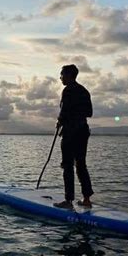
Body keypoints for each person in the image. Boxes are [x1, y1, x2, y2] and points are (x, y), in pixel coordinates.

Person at [53, 64, 94, 209]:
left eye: (62, 75)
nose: (60, 77)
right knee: (81, 164)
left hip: (71, 132)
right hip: (83, 131)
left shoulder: (68, 91)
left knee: (68, 165)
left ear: (69, 76)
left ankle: (68, 201)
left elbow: (64, 112)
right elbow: (89, 112)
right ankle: (86, 199)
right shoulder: (84, 91)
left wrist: (60, 121)